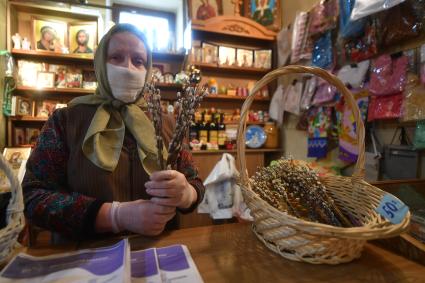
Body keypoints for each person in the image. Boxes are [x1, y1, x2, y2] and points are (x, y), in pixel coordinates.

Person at [23, 23, 205, 240]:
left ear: (148, 69)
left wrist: (186, 194)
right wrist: (115, 215)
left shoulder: (166, 123)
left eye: (138, 61)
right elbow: (33, 197)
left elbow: (195, 182)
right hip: (85, 258)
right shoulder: (66, 120)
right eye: (116, 57)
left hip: (156, 254)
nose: (128, 68)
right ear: (100, 63)